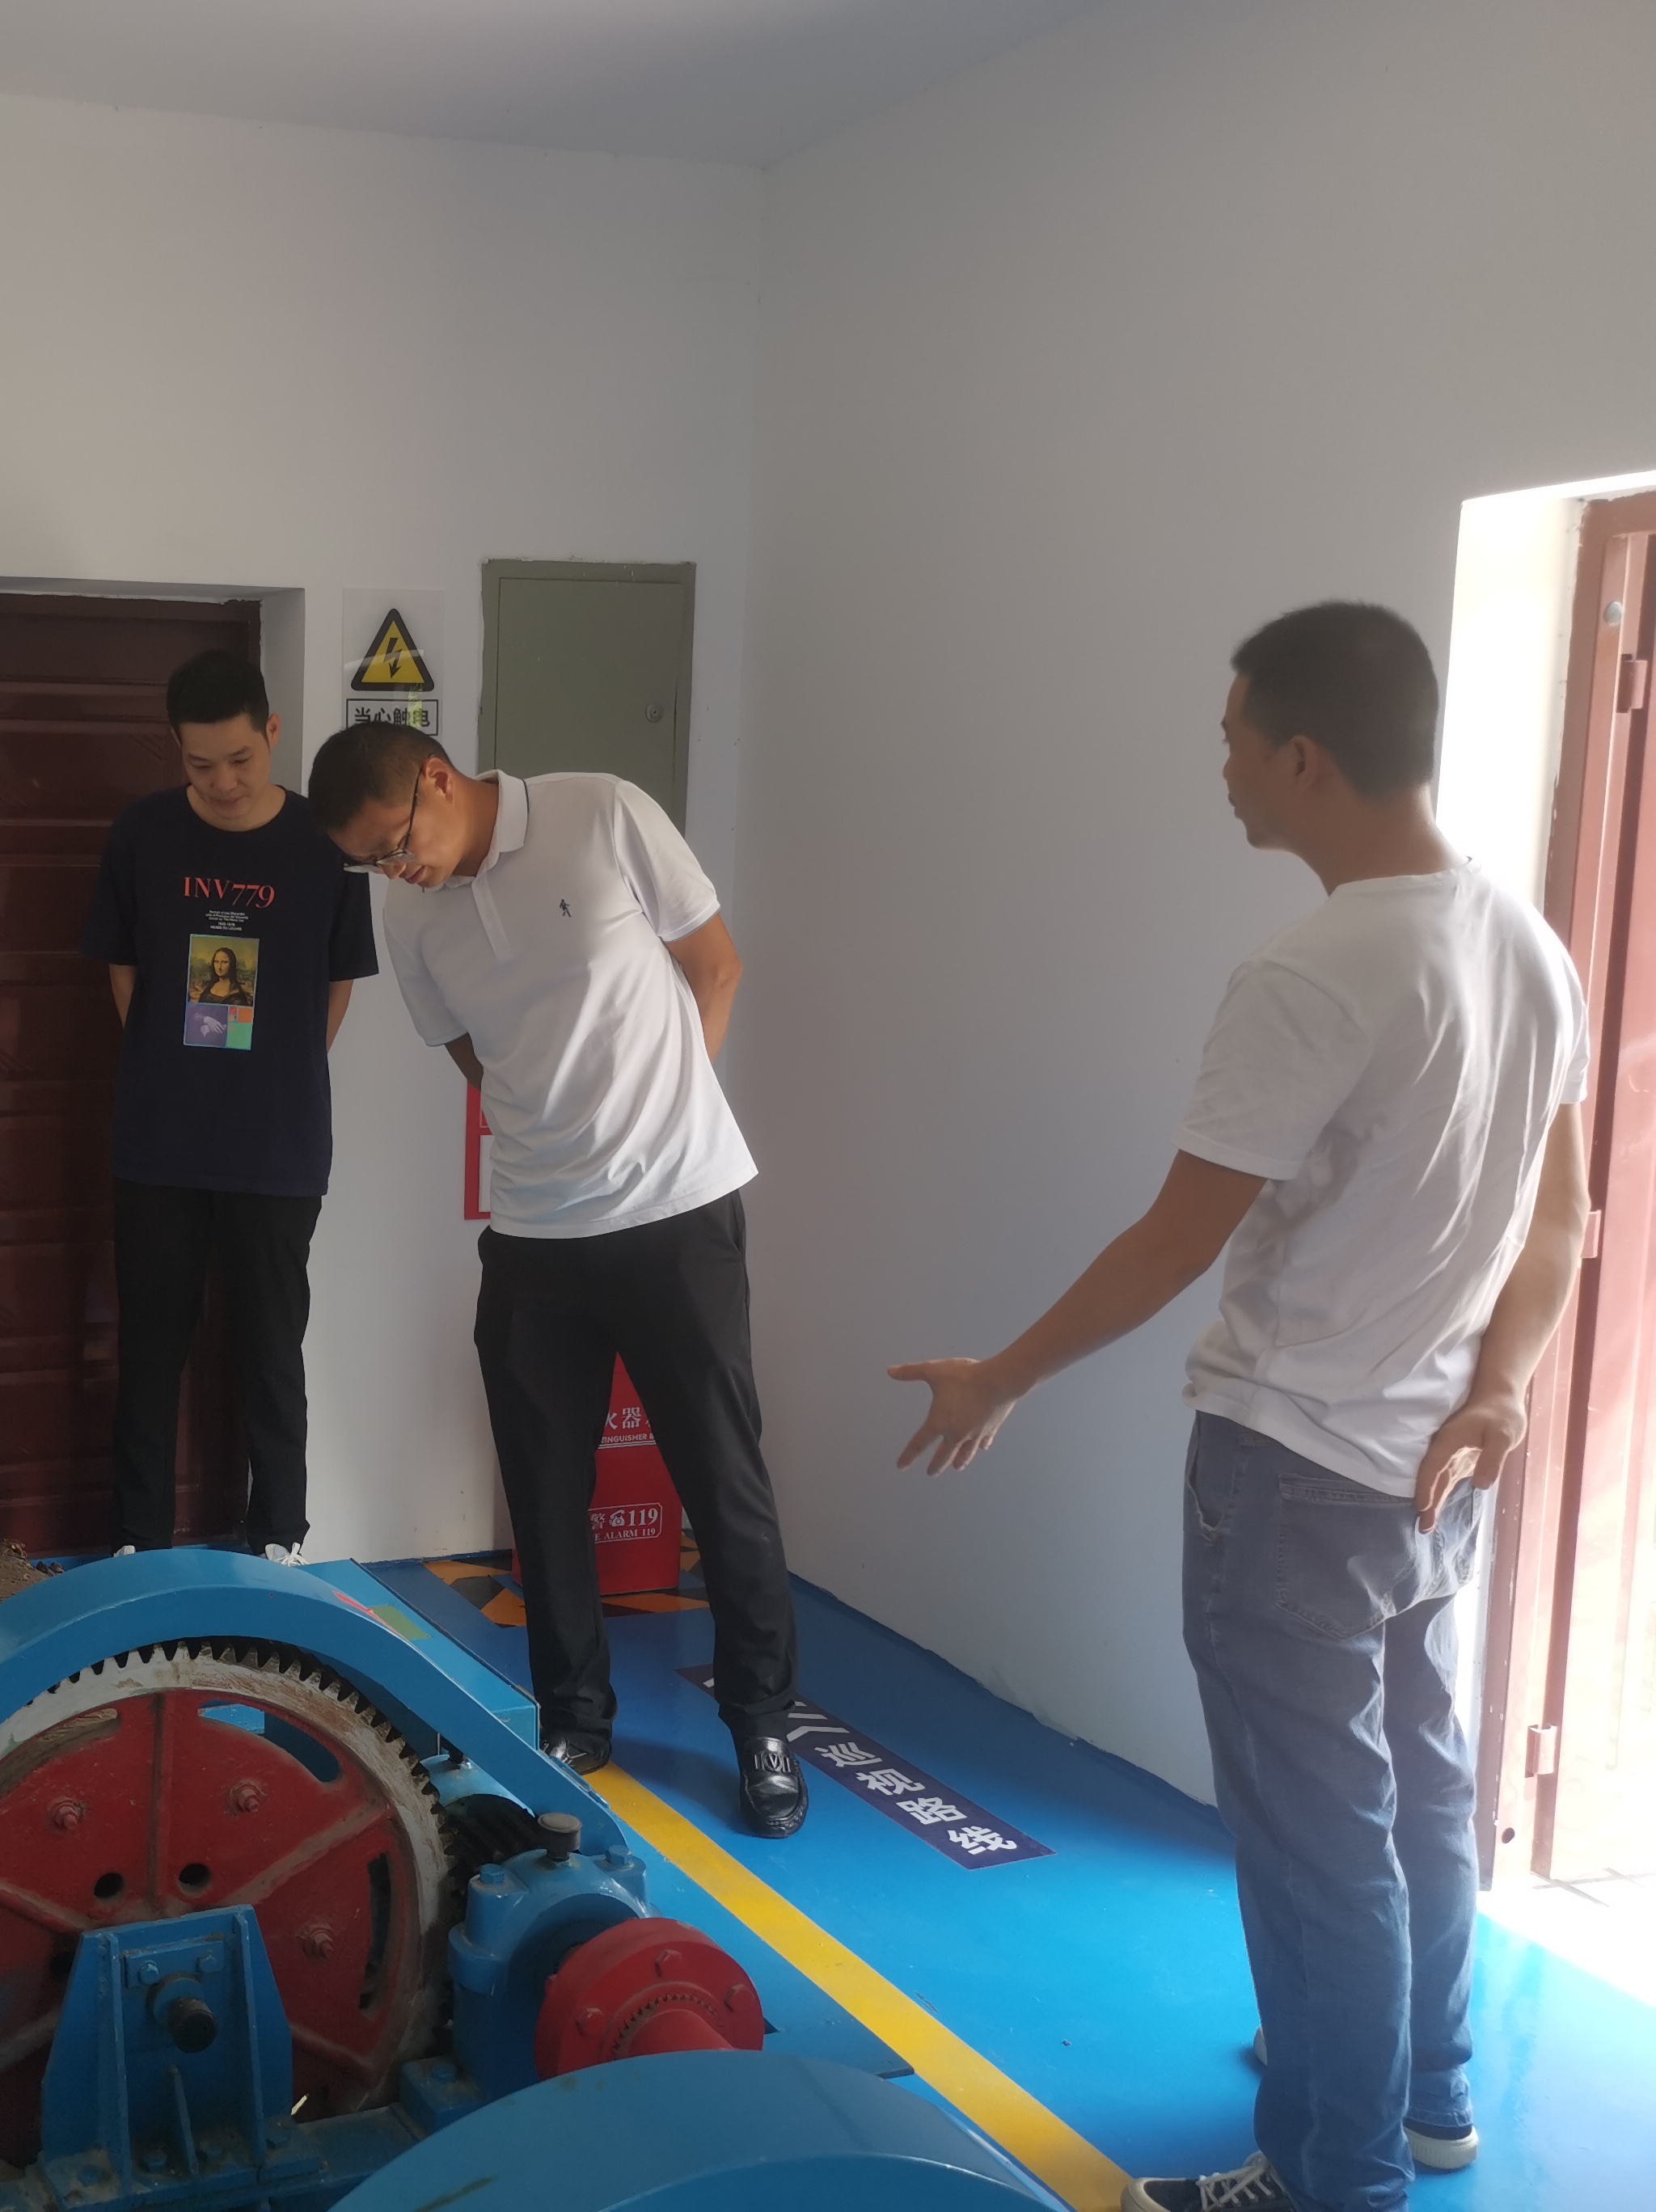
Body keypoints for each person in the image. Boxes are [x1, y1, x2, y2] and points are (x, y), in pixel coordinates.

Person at [888, 604, 1589, 2212]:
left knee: (1313, 1845)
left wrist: (1002, 1374)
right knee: (1420, 1794)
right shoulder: (1525, 944)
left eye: (1231, 739)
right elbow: (1563, 1222)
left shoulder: (1312, 971)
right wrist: (1499, 1391)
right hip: (1434, 1465)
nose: (1218, 767)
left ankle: (1332, 2174)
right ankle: (1426, 2095)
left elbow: (1173, 1241)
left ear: (1302, 756)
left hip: (1291, 1476)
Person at [309, 725, 807, 1835]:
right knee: (542, 1490)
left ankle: (763, 1724)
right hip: (534, 1231)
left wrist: (665, 1114)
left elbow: (716, 963)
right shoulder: (412, 913)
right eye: (372, 864)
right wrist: (554, 1127)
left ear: (438, 779)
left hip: (677, 1210)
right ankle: (575, 1716)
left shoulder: (602, 813)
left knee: (722, 1481)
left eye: (396, 844)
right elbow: (469, 1050)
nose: (395, 872)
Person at [82, 649, 377, 1563]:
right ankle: (138, 1540)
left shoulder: (326, 844)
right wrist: (173, 1067)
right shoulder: (142, 834)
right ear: (176, 749)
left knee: (271, 1351)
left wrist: (276, 1070)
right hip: (159, 1141)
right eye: (200, 763)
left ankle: (279, 1538)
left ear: (272, 733)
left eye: (240, 759)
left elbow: (337, 980)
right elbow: (122, 967)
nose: (222, 782)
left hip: (278, 1144)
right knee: (151, 1349)